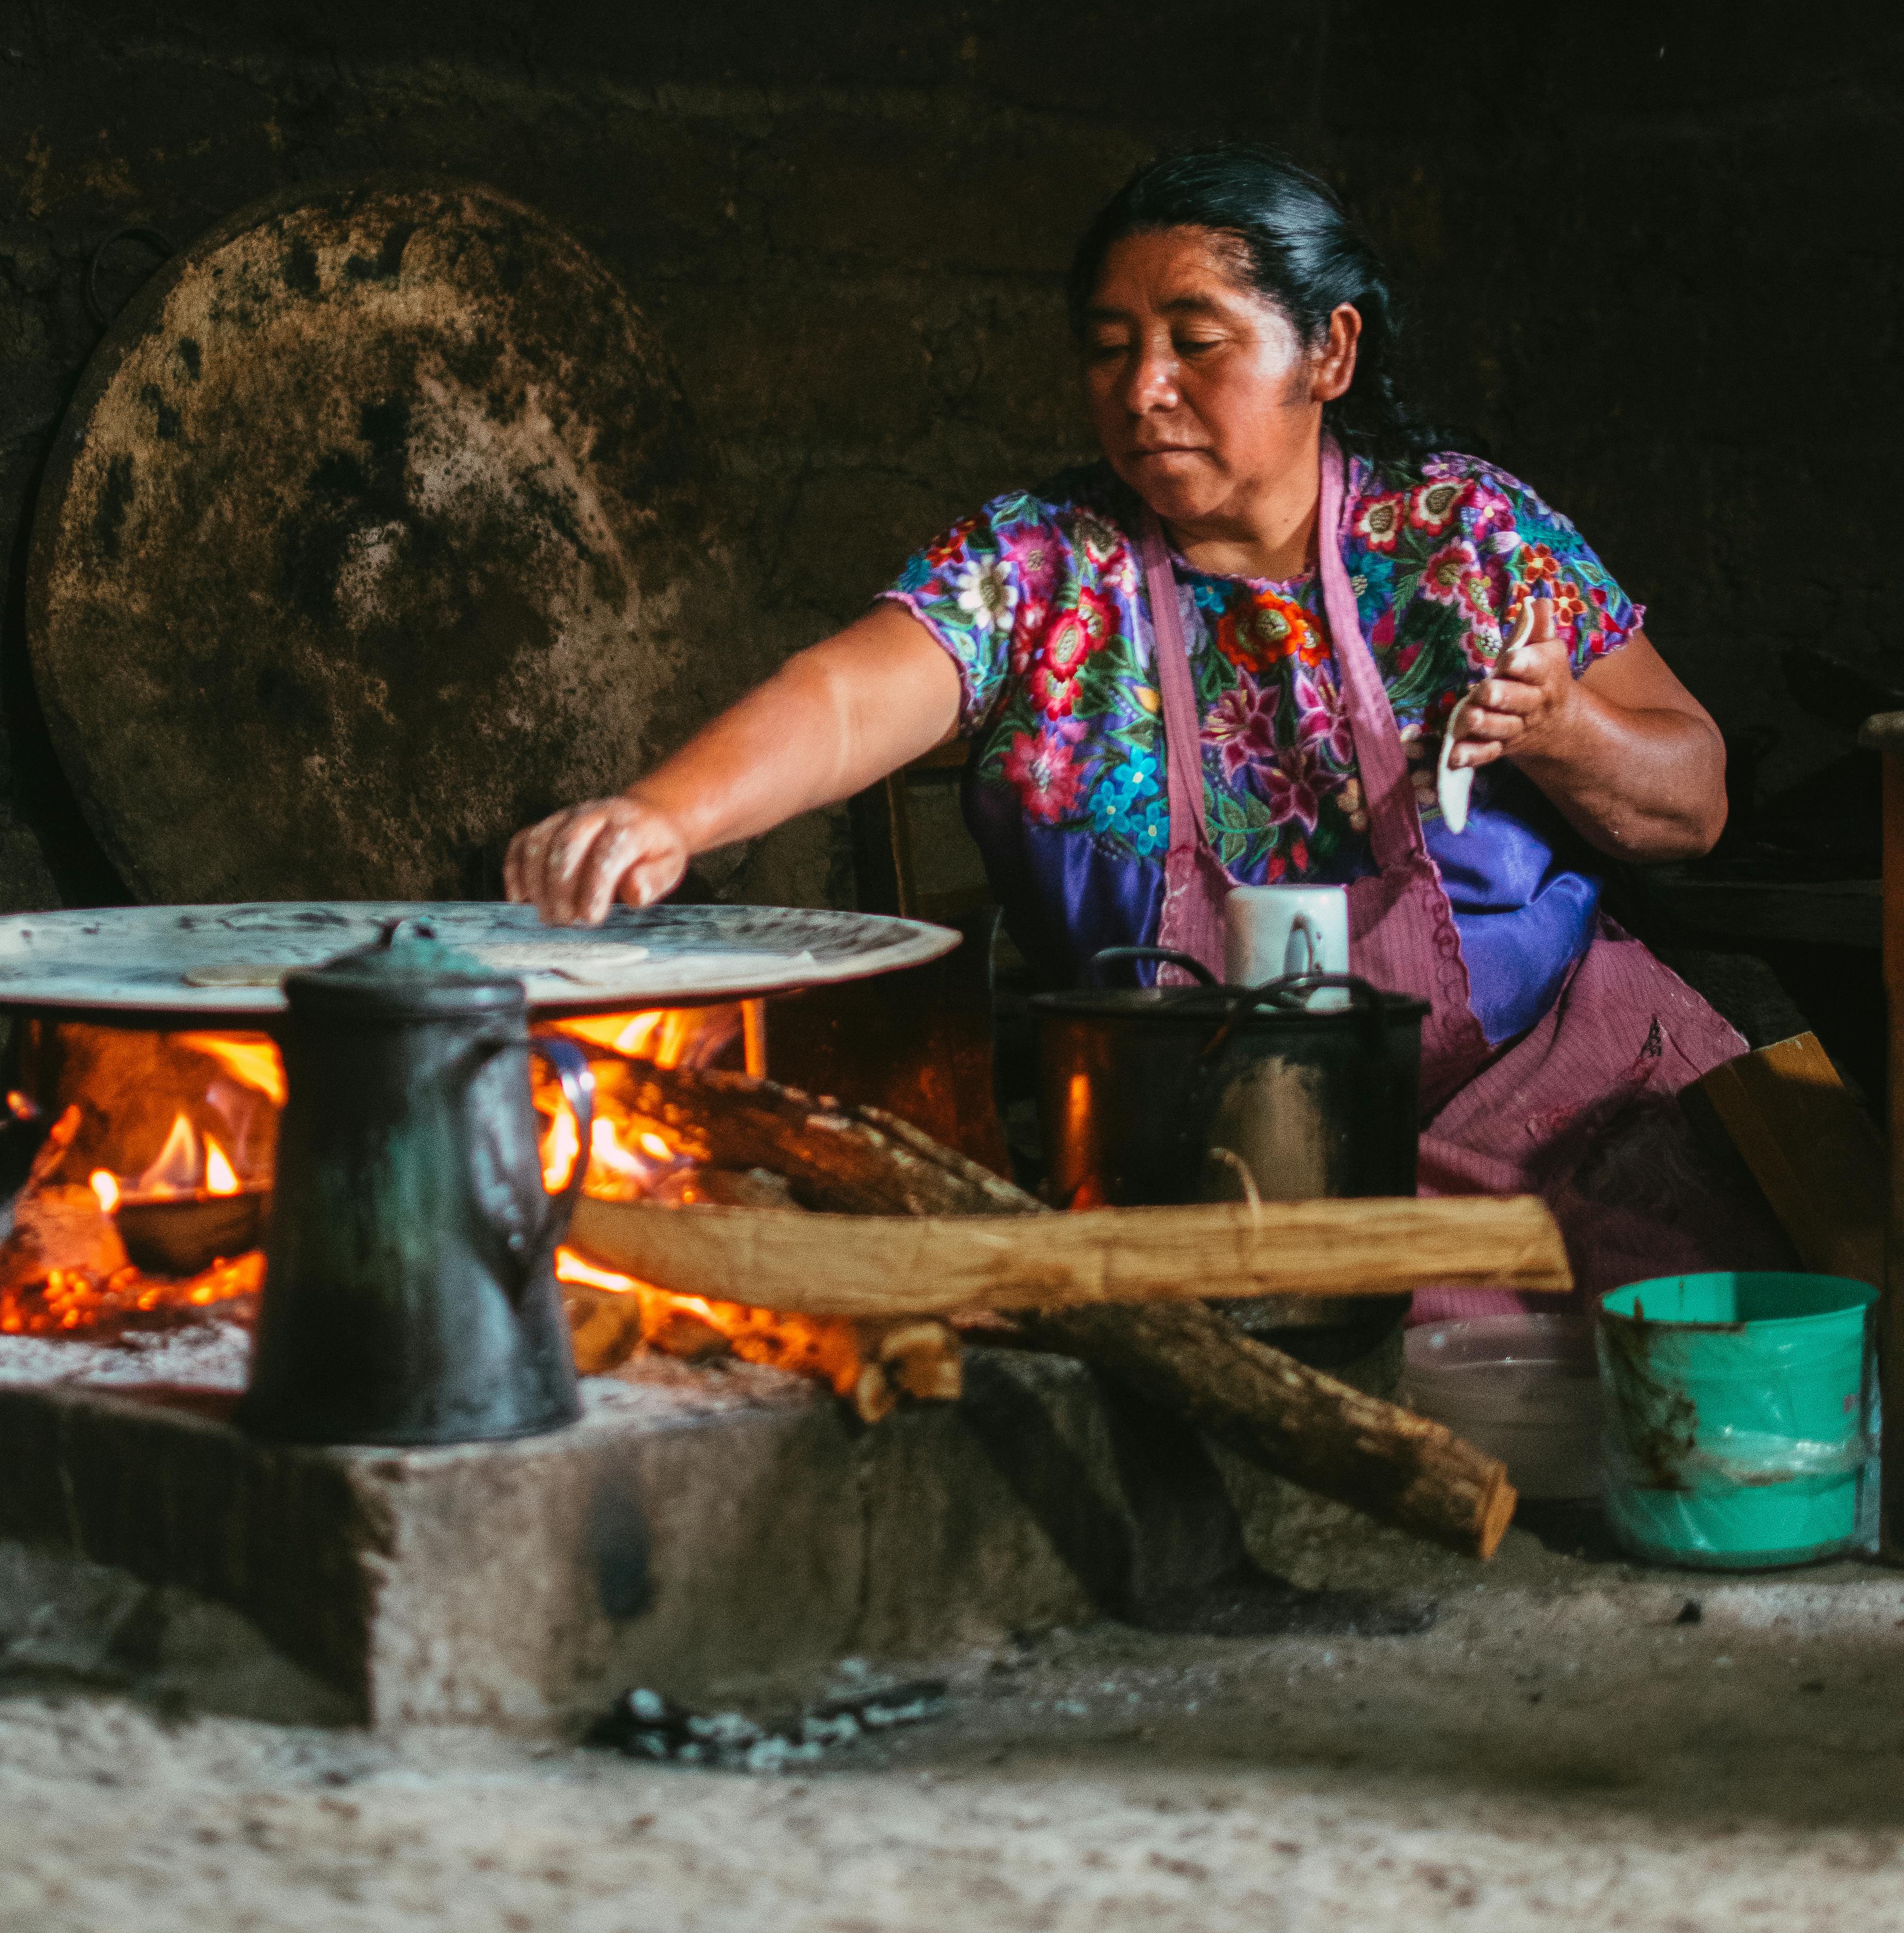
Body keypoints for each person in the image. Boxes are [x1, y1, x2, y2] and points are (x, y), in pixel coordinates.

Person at [507, 145, 1790, 1303]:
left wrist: (1566, 730)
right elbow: (848, 695)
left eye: (1196, 338)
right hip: (1198, 1171)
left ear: (1327, 354)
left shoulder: (1465, 539)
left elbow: (1693, 802)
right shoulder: (1043, 566)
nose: (1142, 387)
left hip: (1556, 1121)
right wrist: (662, 813)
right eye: (1109, 345)